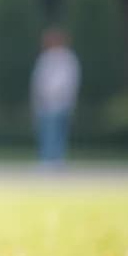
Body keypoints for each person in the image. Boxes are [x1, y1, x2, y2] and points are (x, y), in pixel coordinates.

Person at [30, 28, 79, 169]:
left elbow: (69, 81)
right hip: (45, 103)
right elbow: (38, 80)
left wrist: (58, 95)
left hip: (60, 102)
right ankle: (46, 159)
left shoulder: (67, 58)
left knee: (57, 131)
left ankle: (57, 159)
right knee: (46, 132)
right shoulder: (45, 58)